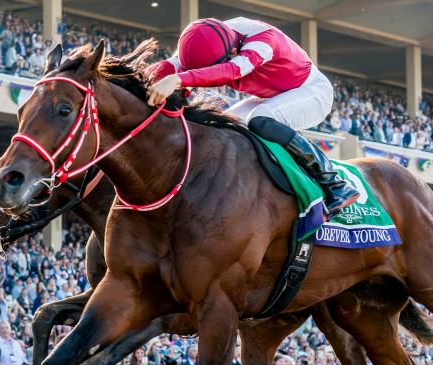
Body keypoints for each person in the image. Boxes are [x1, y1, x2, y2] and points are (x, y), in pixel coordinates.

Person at [145, 17, 360, 218]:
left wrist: (178, 80)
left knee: (260, 120)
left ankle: (334, 183)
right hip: (272, 94)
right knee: (221, 128)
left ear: (234, 51)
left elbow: (231, 70)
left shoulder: (264, 41)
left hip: (311, 92)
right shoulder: (204, 38)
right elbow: (168, 67)